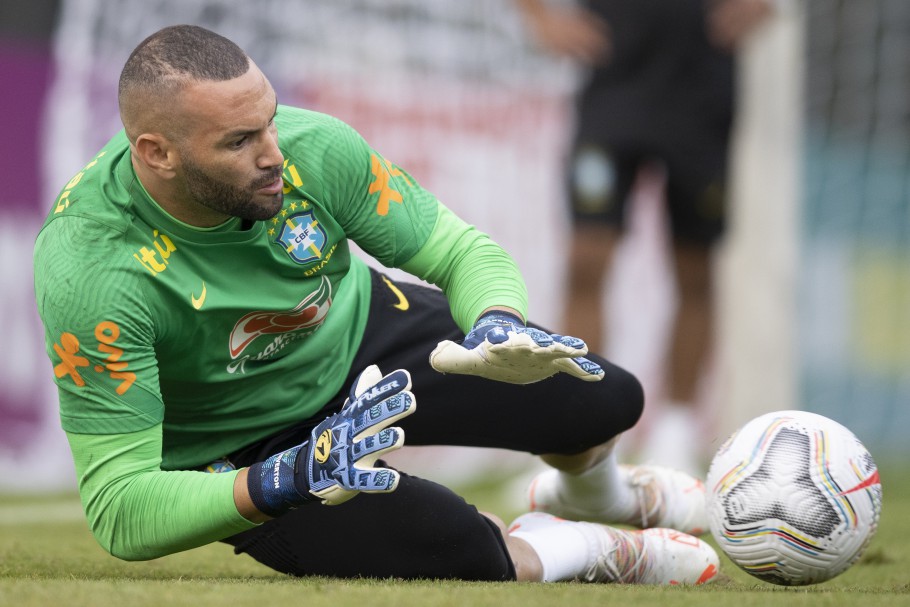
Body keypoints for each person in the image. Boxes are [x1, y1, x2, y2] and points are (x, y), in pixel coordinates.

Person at [34, 24, 718, 584]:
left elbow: (459, 251)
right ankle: (580, 547)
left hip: (361, 333)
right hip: (248, 449)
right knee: (463, 553)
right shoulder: (92, 270)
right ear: (157, 153)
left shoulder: (313, 148)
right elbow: (119, 509)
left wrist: (496, 322)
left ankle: (596, 493)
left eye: (268, 121)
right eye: (239, 141)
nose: (274, 153)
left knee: (605, 399)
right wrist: (284, 477)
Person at [517, 0, 773, 473]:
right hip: (614, 78)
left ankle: (675, 434)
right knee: (586, 258)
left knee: (695, 267)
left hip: (702, 82)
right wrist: (538, 16)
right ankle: (576, 430)